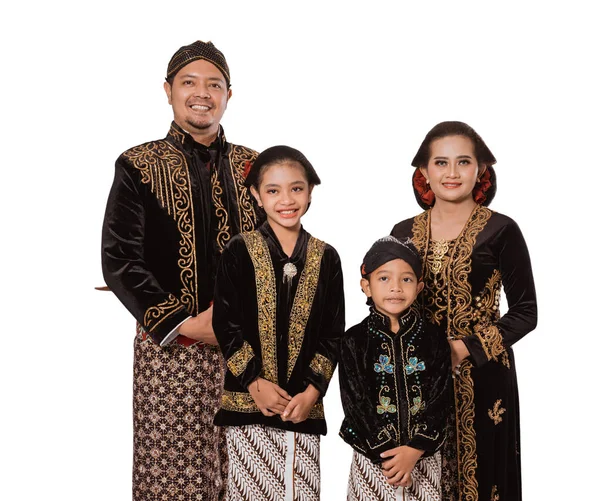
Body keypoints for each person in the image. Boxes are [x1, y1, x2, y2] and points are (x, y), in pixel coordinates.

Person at [101, 40, 261, 501]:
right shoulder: (138, 165)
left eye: (214, 84)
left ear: (229, 94)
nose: (202, 93)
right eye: (189, 82)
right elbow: (119, 259)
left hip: (248, 351)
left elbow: (277, 251)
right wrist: (185, 324)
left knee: (247, 476)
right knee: (171, 478)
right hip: (169, 350)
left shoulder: (256, 166)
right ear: (168, 90)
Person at [391, 121, 537, 501]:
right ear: (423, 171)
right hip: (417, 376)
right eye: (441, 163)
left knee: (484, 477)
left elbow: (526, 310)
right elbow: (386, 299)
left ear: (480, 170)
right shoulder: (403, 231)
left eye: (463, 162)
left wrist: (465, 348)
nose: (451, 173)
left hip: (485, 377)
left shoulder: (502, 230)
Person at [212, 146, 345, 501]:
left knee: (300, 492)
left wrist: (313, 391)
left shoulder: (326, 256)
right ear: (256, 194)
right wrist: (254, 382)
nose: (286, 199)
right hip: (247, 404)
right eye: (273, 190)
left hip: (302, 406)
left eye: (296, 188)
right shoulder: (239, 250)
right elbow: (226, 324)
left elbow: (333, 334)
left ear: (311, 191)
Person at [339, 236, 451, 501]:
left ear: (420, 286)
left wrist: (414, 450)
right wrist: (389, 454)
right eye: (384, 278)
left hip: (423, 457)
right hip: (373, 458)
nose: (396, 288)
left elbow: (440, 398)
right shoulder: (354, 340)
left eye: (407, 279)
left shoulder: (434, 338)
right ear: (366, 286)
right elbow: (356, 402)